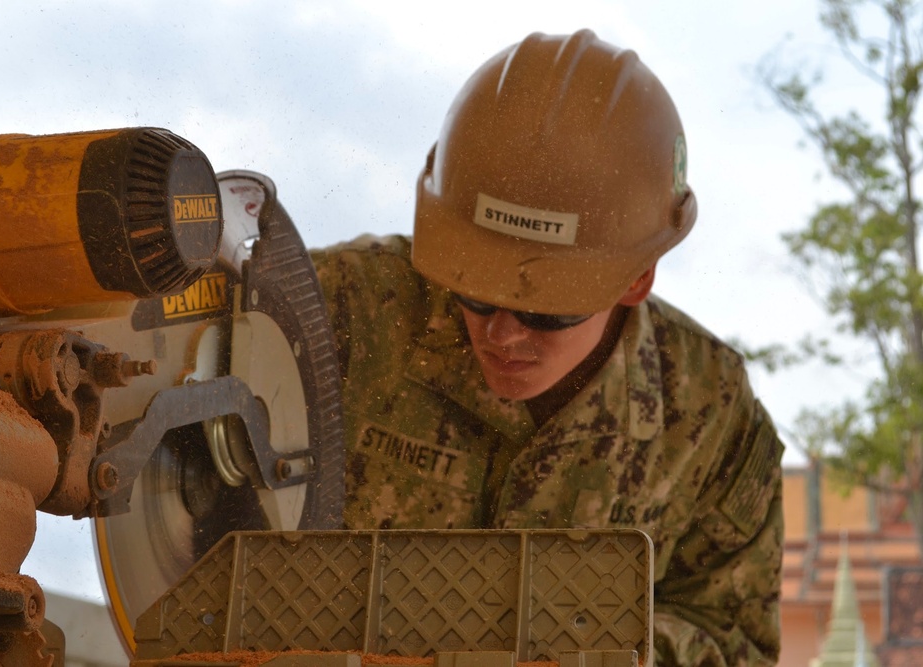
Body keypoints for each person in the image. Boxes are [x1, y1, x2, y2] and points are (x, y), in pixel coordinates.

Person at [310, 29, 783, 667]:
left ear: (635, 279)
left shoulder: (707, 412)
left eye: (545, 309)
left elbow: (733, 639)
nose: (503, 334)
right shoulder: (338, 313)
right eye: (472, 292)